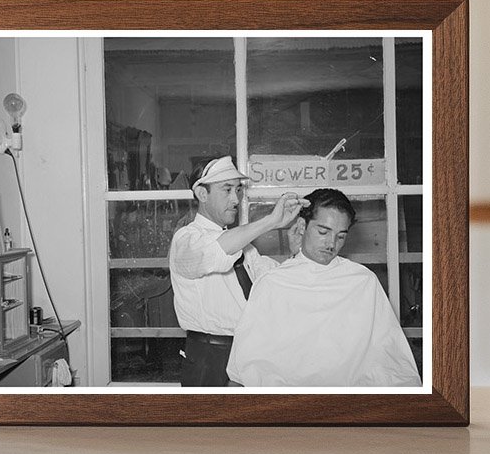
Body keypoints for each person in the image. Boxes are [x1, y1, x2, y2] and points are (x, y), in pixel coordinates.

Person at [226, 188, 421, 388]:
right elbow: (242, 367)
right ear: (302, 226)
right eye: (323, 232)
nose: (331, 244)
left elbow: (391, 357)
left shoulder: (362, 281)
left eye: (341, 236)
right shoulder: (272, 283)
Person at [169, 156, 304, 387]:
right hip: (209, 358)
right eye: (227, 190)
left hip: (246, 351)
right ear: (202, 194)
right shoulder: (186, 240)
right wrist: (271, 221)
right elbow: (218, 251)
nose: (236, 199)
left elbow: (272, 281)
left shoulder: (243, 246)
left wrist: (295, 253)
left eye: (238, 190)